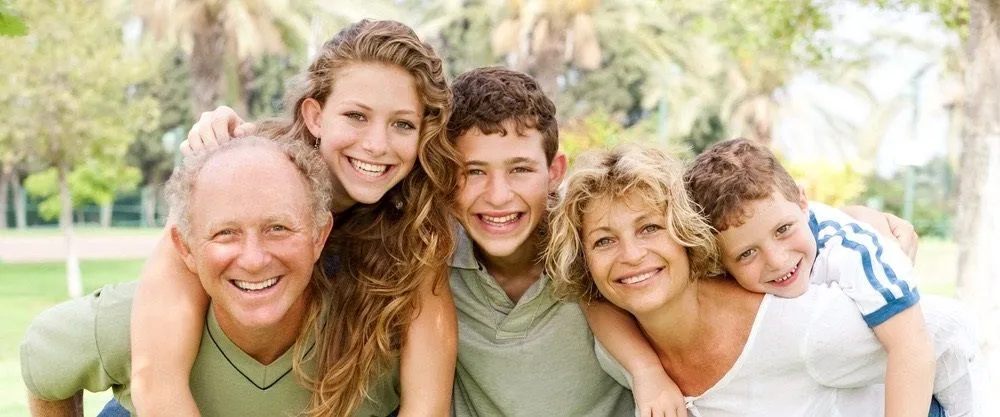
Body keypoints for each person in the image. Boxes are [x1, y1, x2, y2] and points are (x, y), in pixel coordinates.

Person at [128, 19, 460, 417]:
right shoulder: (231, 181)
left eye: (402, 124)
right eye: (356, 115)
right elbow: (156, 381)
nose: (377, 145)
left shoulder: (412, 233)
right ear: (316, 116)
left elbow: (428, 405)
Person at [546, 144, 986, 417]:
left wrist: (861, 224)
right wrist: (646, 371)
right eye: (604, 241)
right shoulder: (619, 349)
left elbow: (949, 332)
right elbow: (594, 298)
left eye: (649, 228)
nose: (631, 256)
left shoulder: (801, 325)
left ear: (690, 235)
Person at [22, 138, 399, 416]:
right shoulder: (134, 323)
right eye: (225, 234)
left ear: (319, 236)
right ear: (185, 248)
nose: (253, 259)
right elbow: (44, 365)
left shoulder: (377, 338)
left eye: (279, 228)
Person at [444, 66, 634, 416]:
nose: (498, 196)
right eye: (473, 172)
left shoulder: (598, 248)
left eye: (520, 169)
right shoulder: (430, 260)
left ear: (555, 172)